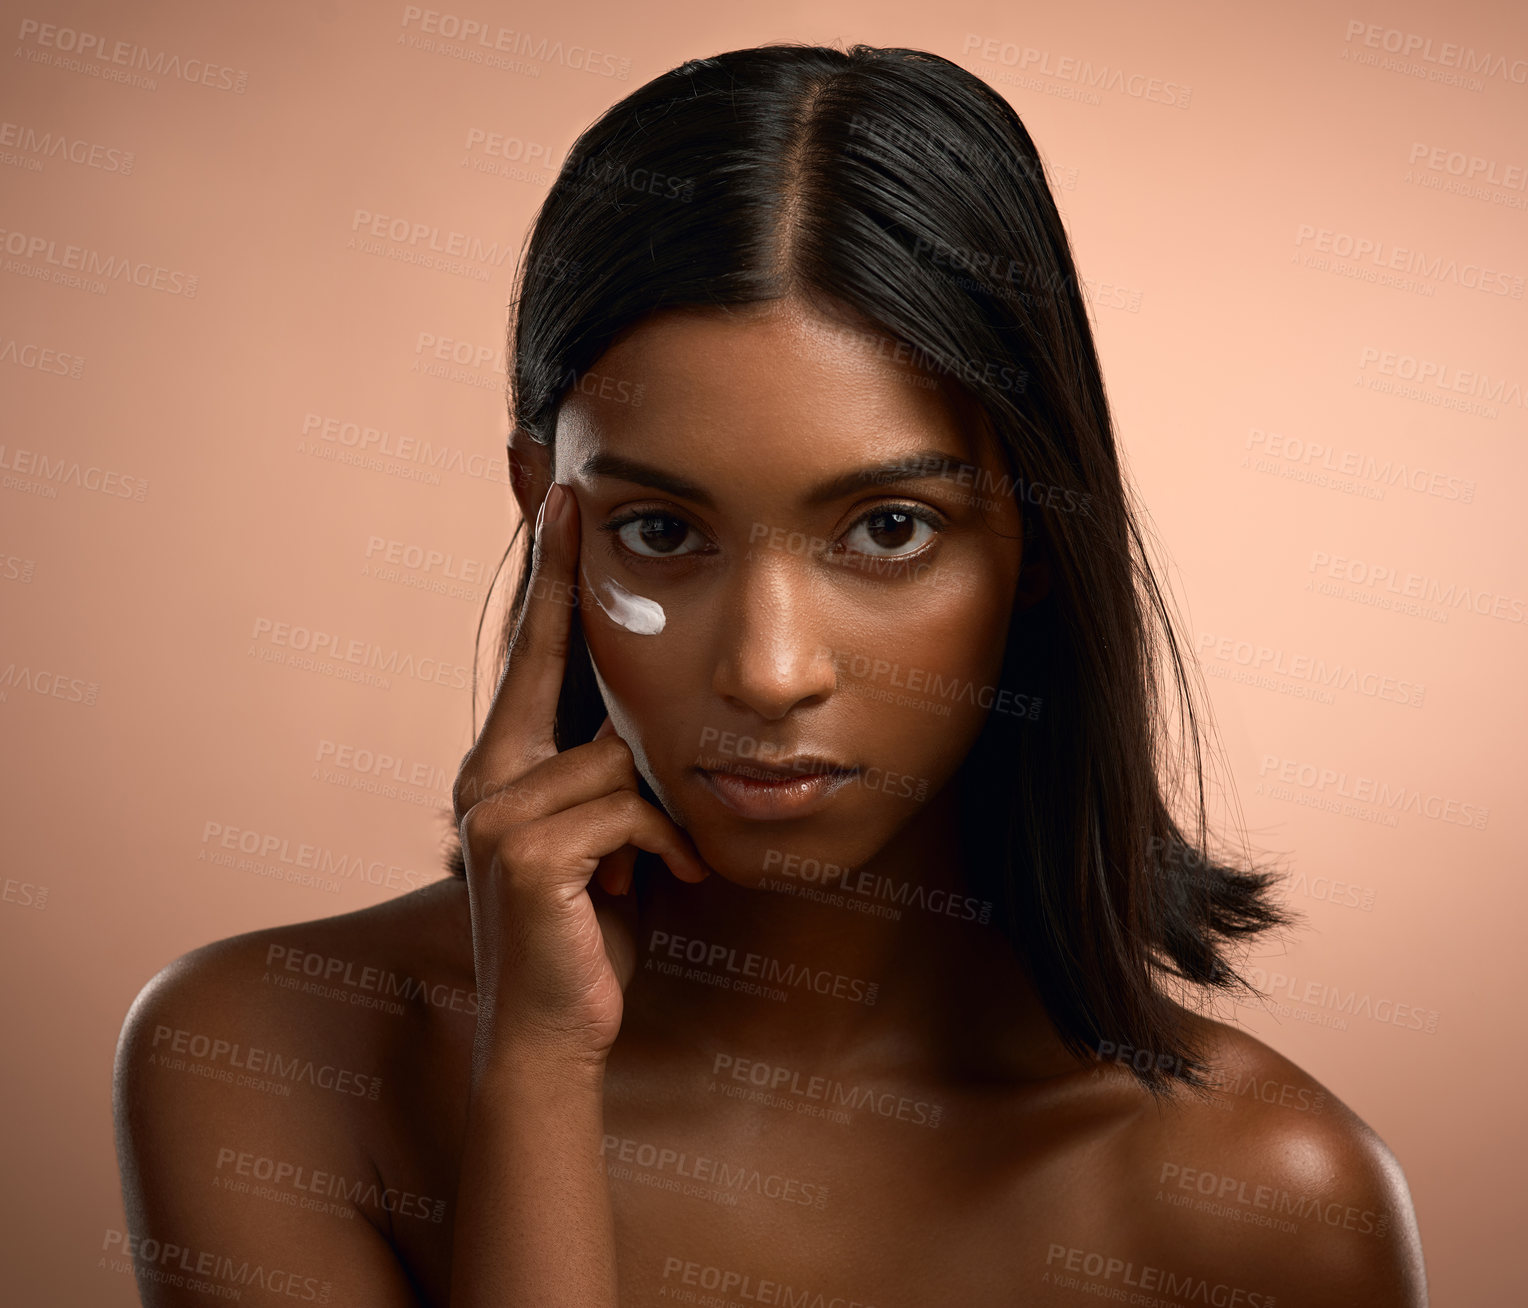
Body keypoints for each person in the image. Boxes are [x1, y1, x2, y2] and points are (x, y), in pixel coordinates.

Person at [113, 42, 1428, 1306]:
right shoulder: (267, 1063)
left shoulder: (1266, 1204)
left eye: (889, 529)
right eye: (662, 533)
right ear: (542, 510)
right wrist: (534, 1071)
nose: (770, 669)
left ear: (1038, 530)